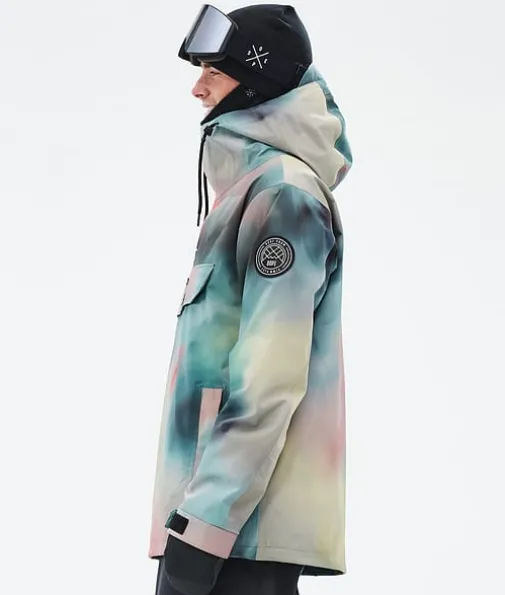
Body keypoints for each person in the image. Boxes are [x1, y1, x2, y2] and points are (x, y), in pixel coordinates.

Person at [148, 4, 353, 594]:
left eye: (214, 71)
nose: (197, 88)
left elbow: (269, 379)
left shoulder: (284, 196)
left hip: (238, 535)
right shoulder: (250, 191)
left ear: (257, 81)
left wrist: (203, 525)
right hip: (217, 526)